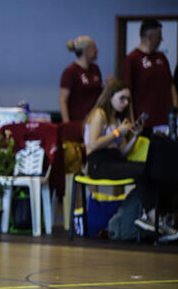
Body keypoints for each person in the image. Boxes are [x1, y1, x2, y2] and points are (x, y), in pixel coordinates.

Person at [83, 79, 173, 238]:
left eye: (128, 99)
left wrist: (134, 136)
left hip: (115, 159)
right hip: (98, 162)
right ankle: (154, 219)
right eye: (121, 98)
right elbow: (93, 144)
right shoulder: (100, 113)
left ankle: (157, 216)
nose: (125, 103)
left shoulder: (117, 119)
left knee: (152, 169)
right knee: (142, 171)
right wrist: (117, 133)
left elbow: (123, 152)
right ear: (110, 96)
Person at [123, 19, 178, 132]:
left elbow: (171, 86)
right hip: (145, 123)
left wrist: (175, 110)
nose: (161, 40)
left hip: (166, 122)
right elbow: (127, 94)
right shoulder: (132, 59)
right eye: (159, 36)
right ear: (150, 36)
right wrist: (132, 122)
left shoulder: (162, 57)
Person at [59, 35, 102, 141]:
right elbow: (62, 100)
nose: (97, 50)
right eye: (94, 48)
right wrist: (67, 125)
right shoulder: (71, 71)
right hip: (78, 123)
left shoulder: (95, 69)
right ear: (86, 50)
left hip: (95, 122)